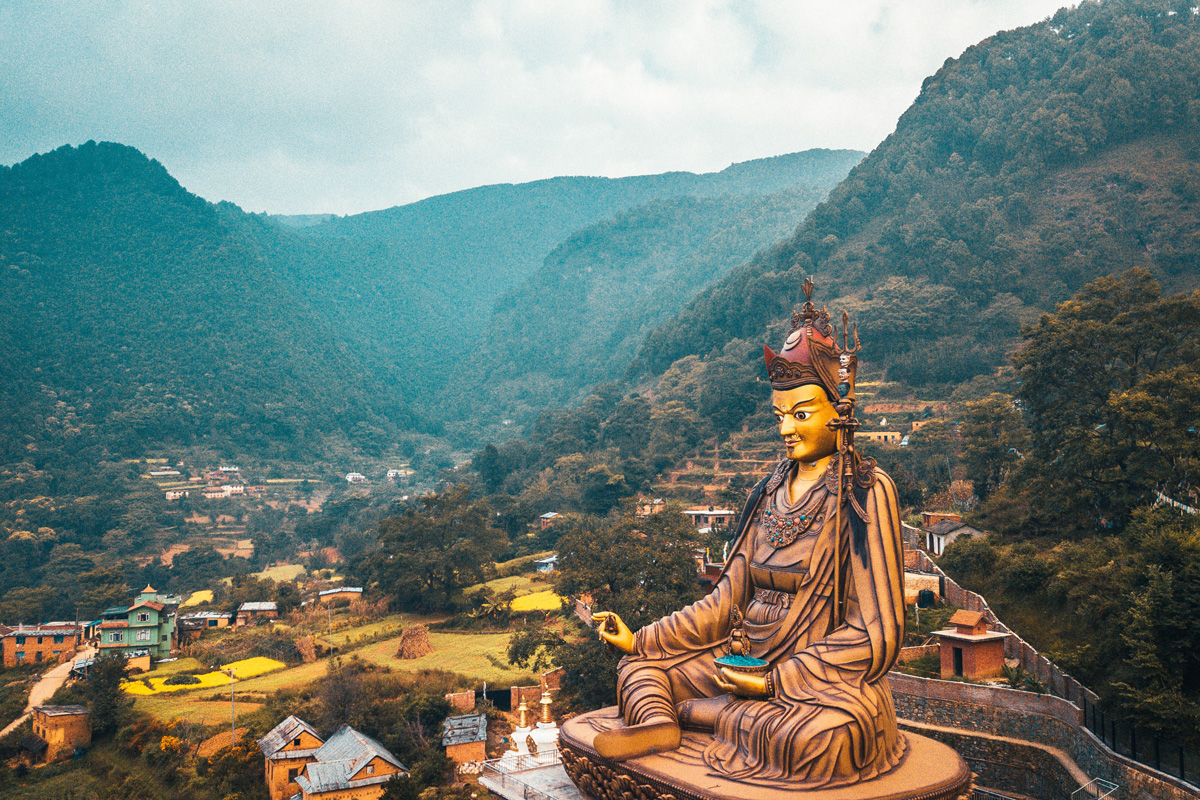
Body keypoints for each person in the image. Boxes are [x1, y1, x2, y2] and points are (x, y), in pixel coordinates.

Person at [591, 281, 905, 788]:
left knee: (817, 739)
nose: (786, 429)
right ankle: (664, 724)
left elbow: (877, 634)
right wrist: (641, 638)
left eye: (801, 414)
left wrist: (776, 681)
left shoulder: (865, 491)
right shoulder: (768, 489)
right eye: (780, 416)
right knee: (638, 671)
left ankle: (701, 714)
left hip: (813, 679)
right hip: (743, 655)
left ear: (839, 410)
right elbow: (723, 602)